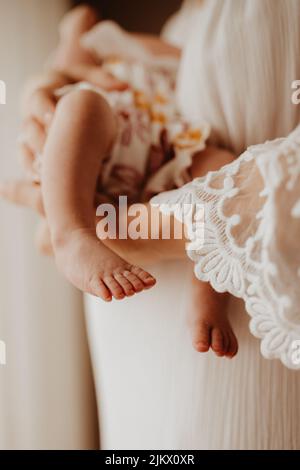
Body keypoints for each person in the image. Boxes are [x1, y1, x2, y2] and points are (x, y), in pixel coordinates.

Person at [1, 0, 300, 449]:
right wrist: (58, 66)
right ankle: (72, 233)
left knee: (222, 168)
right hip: (110, 135)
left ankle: (210, 288)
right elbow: (76, 33)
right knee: (82, 105)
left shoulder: (162, 45)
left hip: (164, 152)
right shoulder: (103, 57)